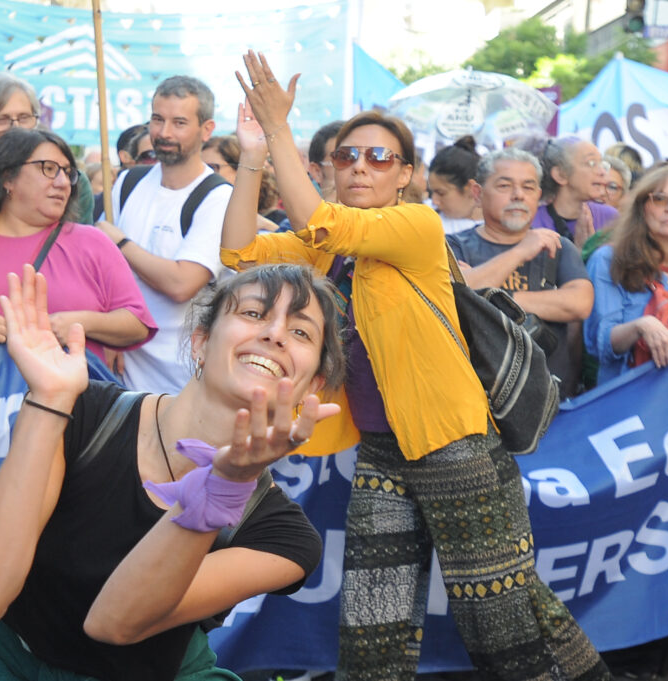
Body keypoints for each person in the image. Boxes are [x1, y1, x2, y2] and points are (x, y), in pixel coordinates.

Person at [221, 51, 610, 681]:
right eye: (346, 157)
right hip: (381, 451)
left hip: (456, 445)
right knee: (372, 620)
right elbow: (238, 250)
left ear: (404, 175)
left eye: (378, 158)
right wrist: (253, 154)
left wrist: (279, 127)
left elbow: (318, 217)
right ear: (326, 168)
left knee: (502, 616)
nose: (359, 168)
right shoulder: (322, 248)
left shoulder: (416, 226)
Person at [0, 262, 342, 681]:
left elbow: (113, 623)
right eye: (254, 314)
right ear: (200, 341)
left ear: (313, 385)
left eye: (300, 332)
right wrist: (49, 400)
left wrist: (224, 488)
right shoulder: (84, 409)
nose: (274, 334)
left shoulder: (285, 539)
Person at [0, 127, 156, 358]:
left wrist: (81, 323)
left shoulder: (92, 242)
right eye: (48, 169)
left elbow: (138, 324)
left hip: (77, 392)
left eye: (68, 172)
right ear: (8, 177)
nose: (63, 182)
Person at [97, 75, 233, 394]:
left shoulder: (219, 197)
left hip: (186, 381)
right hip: (121, 376)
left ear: (207, 129)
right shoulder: (128, 183)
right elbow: (100, 270)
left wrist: (120, 242)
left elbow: (181, 283)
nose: (164, 133)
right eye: (157, 120)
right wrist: (109, 331)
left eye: (179, 122)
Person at [447, 148, 593, 398]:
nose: (518, 195)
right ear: (477, 194)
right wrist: (520, 252)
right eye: (505, 186)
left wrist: (496, 297)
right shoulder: (453, 245)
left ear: (538, 195)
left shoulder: (557, 247)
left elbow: (579, 304)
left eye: (528, 187)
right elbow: (454, 296)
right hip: (474, 399)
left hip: (546, 398)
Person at [584, 163, 668, 384]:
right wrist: (642, 326)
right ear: (642, 207)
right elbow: (600, 343)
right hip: (633, 402)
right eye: (659, 199)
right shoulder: (609, 259)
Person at [0, 72, 95, 223]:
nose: (16, 128)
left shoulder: (70, 183)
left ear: (36, 120)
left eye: (24, 118)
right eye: (2, 119)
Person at [535, 137, 617, 249]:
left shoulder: (611, 218)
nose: (602, 172)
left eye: (602, 164)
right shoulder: (534, 222)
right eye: (591, 163)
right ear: (560, 174)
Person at [427, 135, 482, 234]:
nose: (434, 201)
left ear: (471, 189)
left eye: (441, 193)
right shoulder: (425, 221)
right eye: (432, 192)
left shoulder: (504, 228)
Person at [307, 120, 344, 202]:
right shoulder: (303, 214)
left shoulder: (376, 213)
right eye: (343, 159)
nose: (357, 167)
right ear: (316, 172)